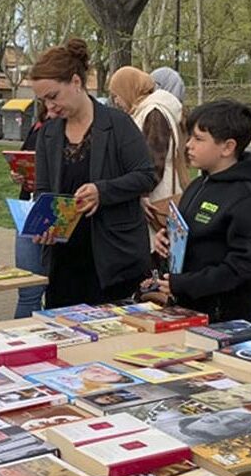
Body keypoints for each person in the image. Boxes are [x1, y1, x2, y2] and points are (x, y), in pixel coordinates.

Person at [30, 39, 157, 307]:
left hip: (114, 260)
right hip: (65, 262)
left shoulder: (117, 124)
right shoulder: (49, 134)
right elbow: (43, 190)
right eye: (42, 100)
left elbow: (146, 175)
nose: (49, 108)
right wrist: (45, 224)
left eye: (53, 97)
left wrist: (103, 191)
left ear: (76, 82)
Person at [147, 99, 251, 323]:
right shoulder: (199, 184)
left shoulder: (247, 196)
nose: (188, 145)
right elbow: (188, 232)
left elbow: (245, 265)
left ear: (227, 147)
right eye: (190, 137)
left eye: (198, 139)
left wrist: (188, 284)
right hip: (187, 306)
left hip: (222, 316)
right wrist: (165, 239)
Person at [108, 66, 189, 246]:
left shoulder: (153, 111)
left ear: (128, 90)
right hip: (154, 191)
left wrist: (141, 191)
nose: (117, 101)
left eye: (117, 95)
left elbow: (154, 156)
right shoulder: (148, 109)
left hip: (156, 195)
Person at [12, 101, 49, 318]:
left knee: (41, 287)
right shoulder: (38, 127)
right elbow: (23, 155)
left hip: (52, 208)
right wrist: (18, 173)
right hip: (27, 207)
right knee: (29, 289)